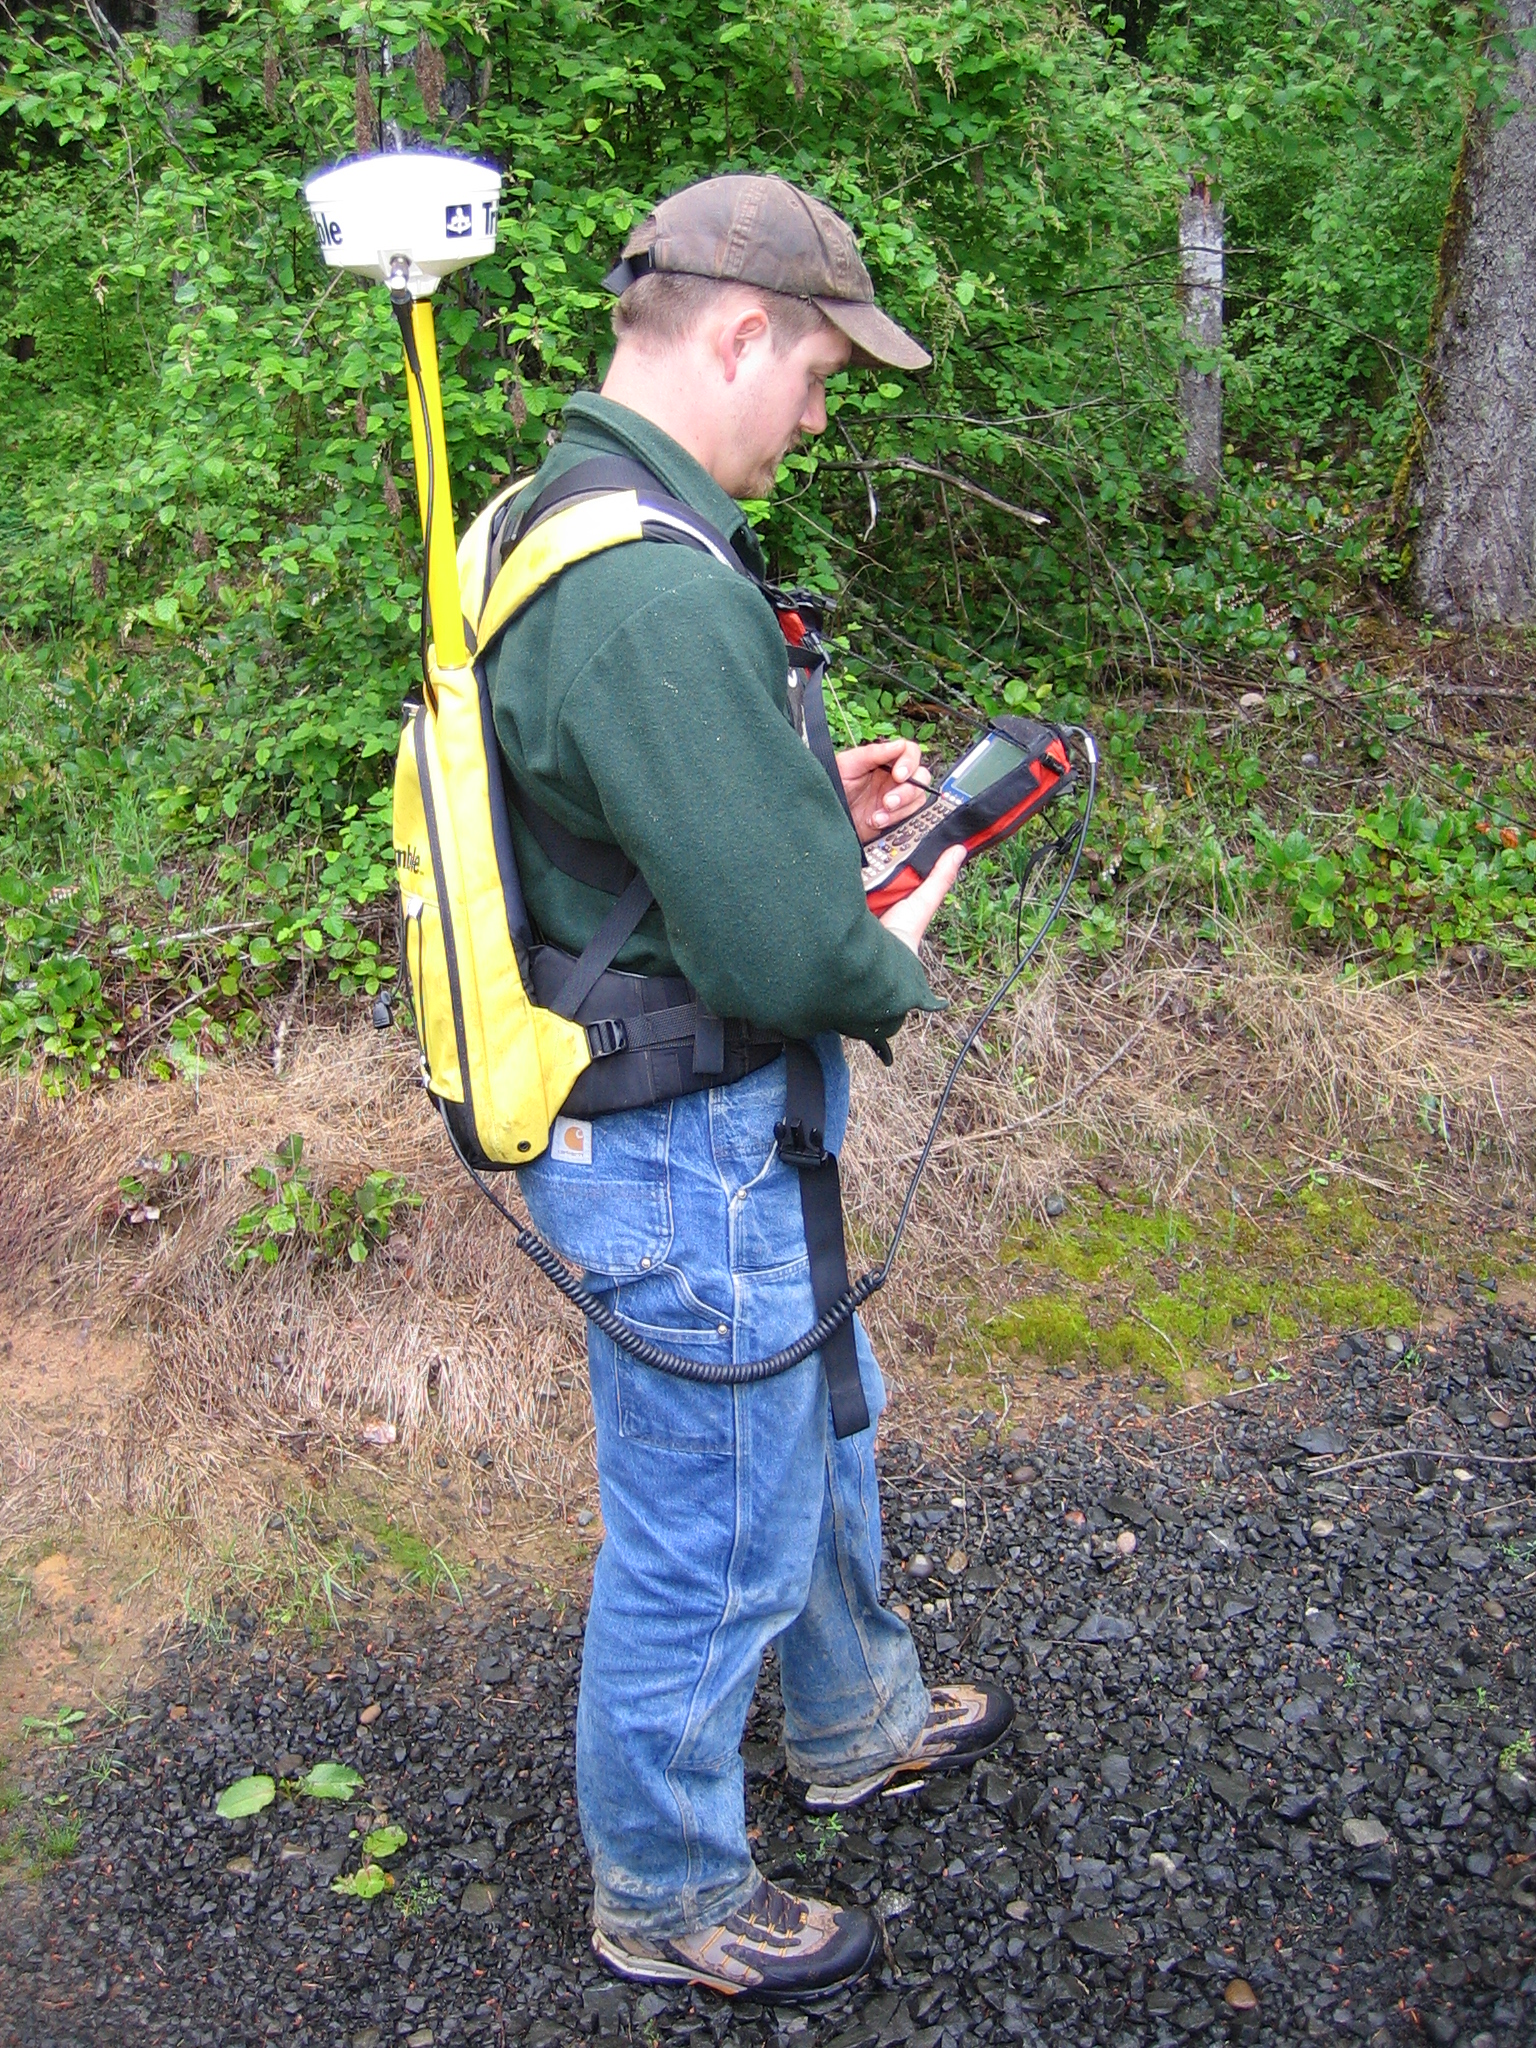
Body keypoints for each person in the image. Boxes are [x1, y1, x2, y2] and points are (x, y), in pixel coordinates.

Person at [490, 174, 1014, 2002]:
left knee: (816, 1426)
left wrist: (816, 806)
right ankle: (668, 1889)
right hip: (681, 1146)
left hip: (701, 1128)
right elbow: (792, 961)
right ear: (735, 334)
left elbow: (624, 823)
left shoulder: (557, 517)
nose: (818, 407)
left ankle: (856, 1717)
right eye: (815, 371)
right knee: (708, 1532)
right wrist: (889, 940)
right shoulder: (644, 586)